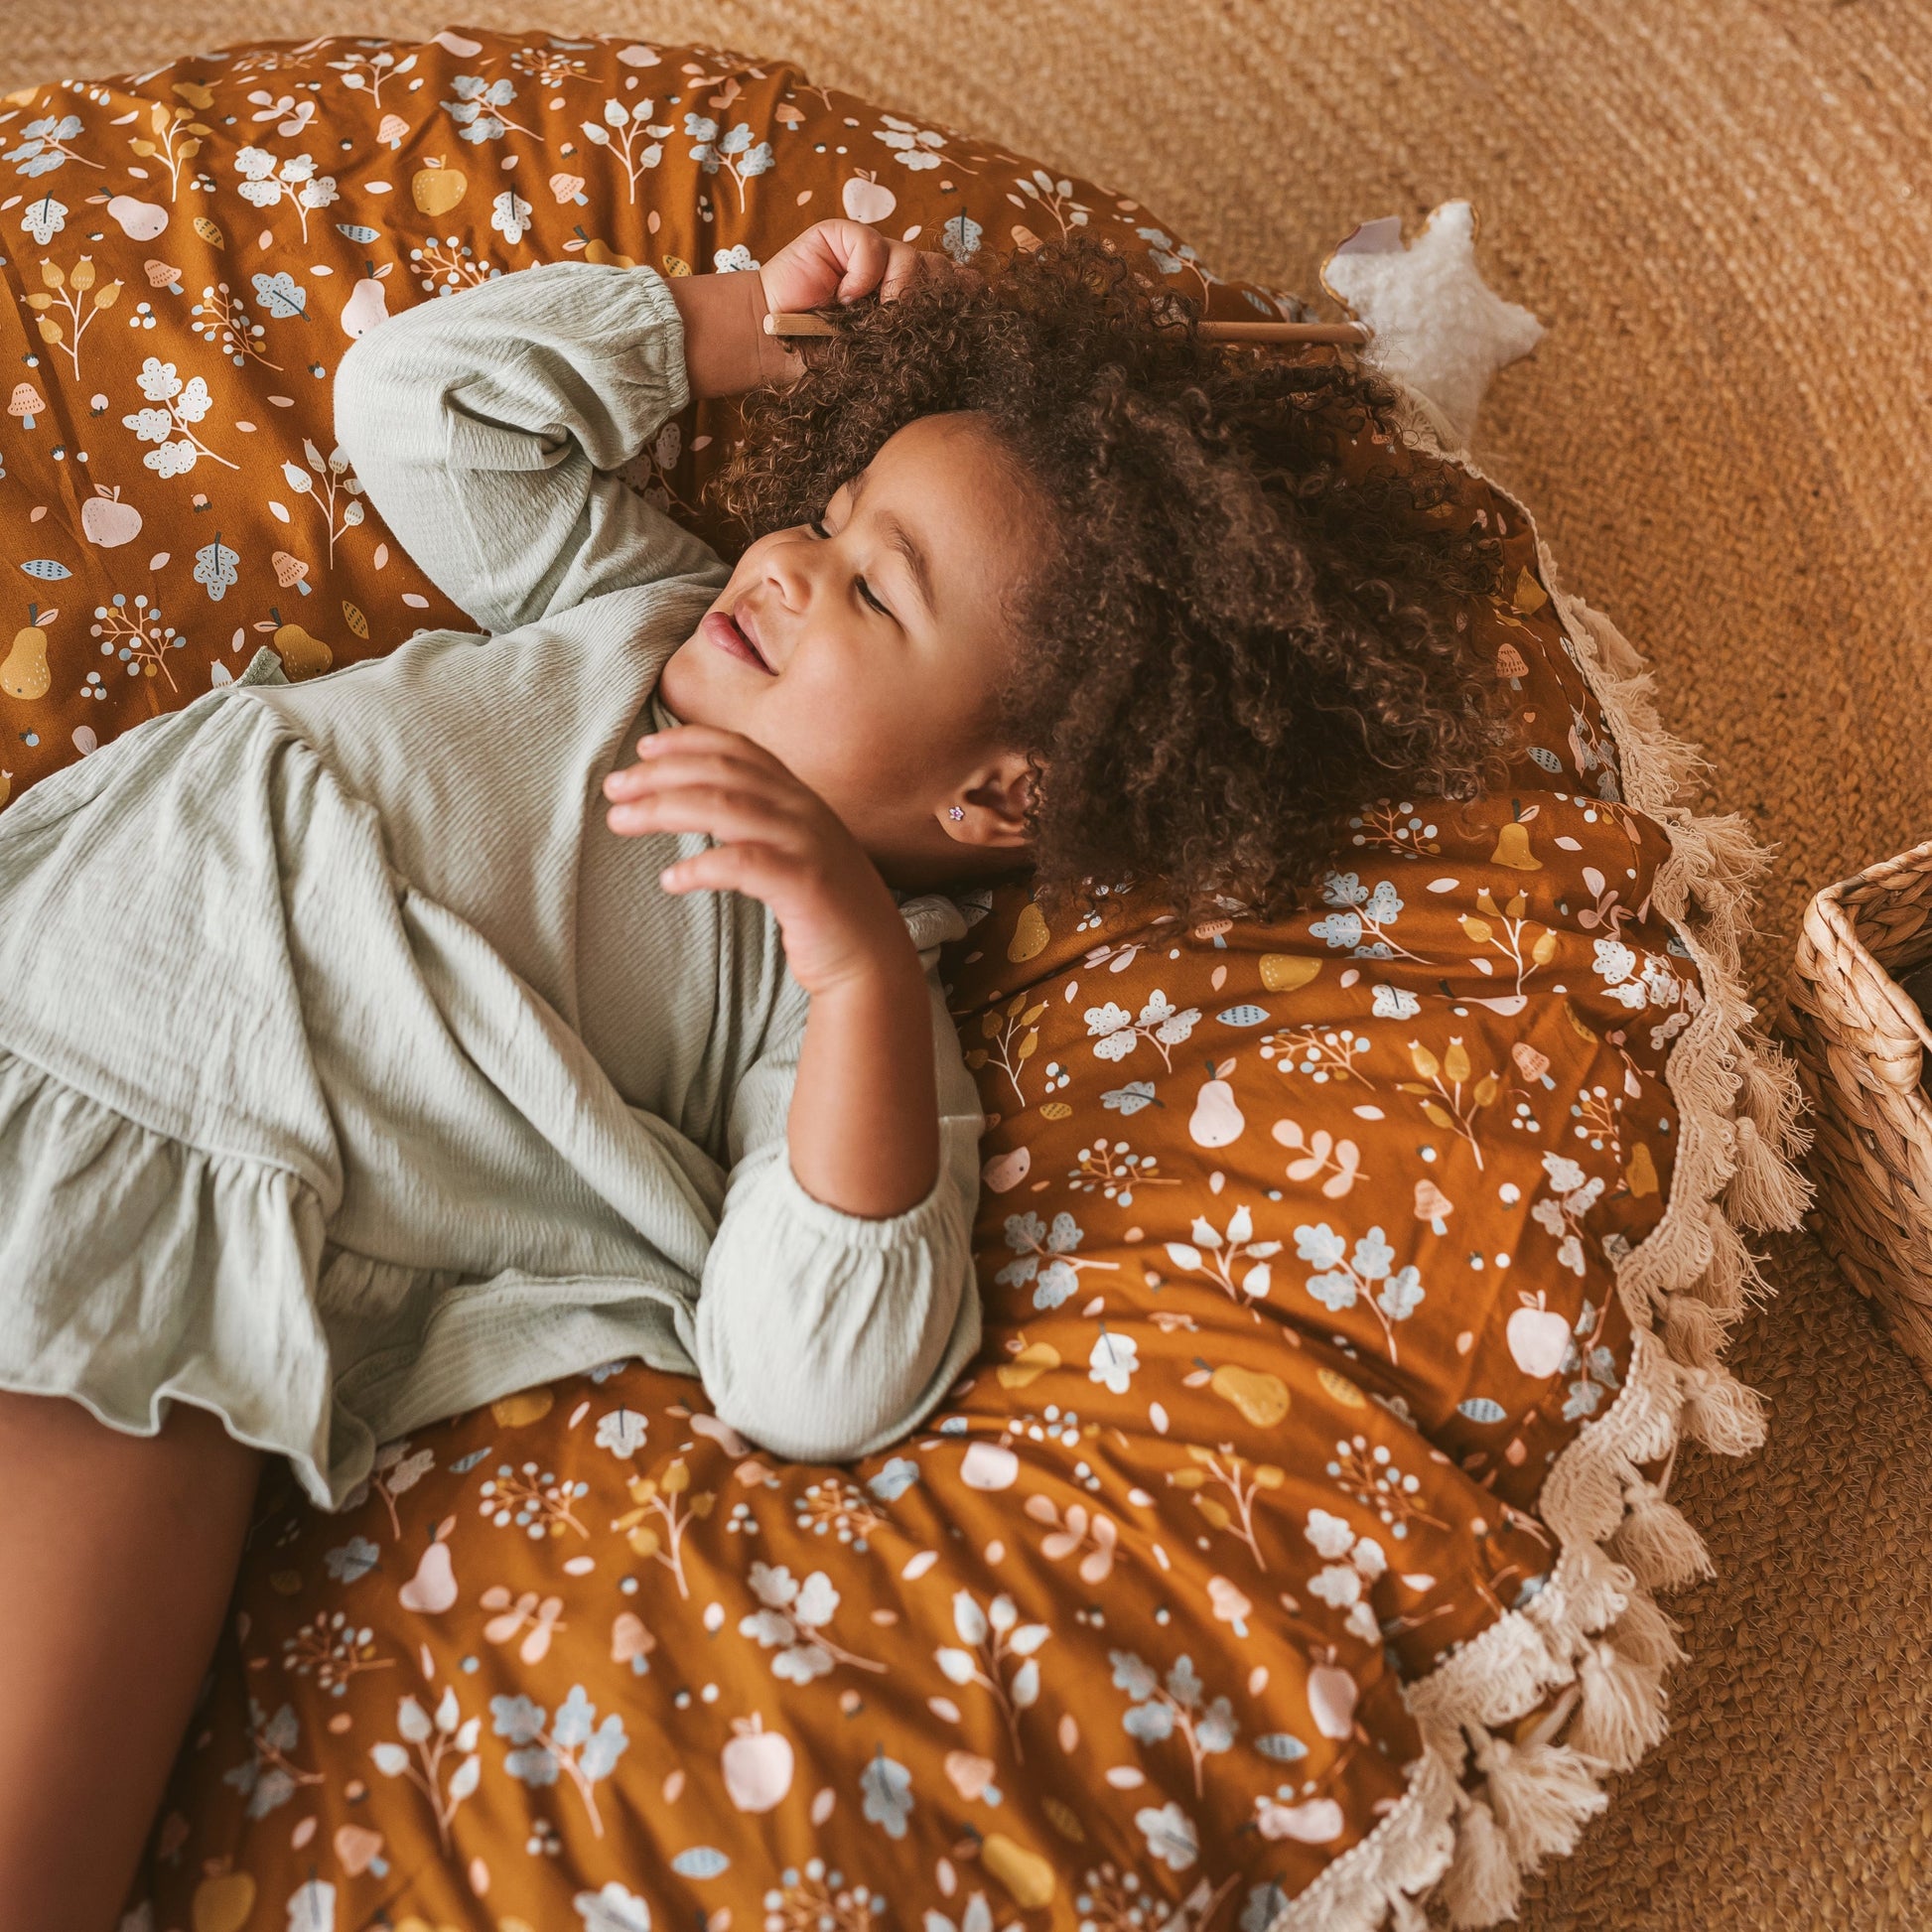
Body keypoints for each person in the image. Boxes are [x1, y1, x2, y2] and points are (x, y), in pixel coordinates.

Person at [0, 217, 1510, 1924]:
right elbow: (414, 401)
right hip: (69, 961)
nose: (789, 554)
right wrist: (760, 329)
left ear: (998, 802)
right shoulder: (632, 606)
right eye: (831, 507)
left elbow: (813, 1372)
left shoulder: (830, 1007)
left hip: (204, 1205)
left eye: (873, 584)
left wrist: (848, 953)